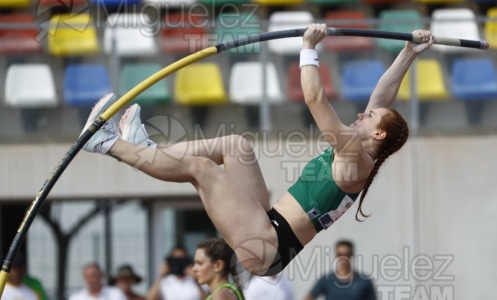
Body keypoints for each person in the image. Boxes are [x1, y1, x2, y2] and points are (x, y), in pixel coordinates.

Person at [80, 24, 434, 276]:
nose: (362, 112)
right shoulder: (363, 148)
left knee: (202, 169)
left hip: (267, 249)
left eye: (369, 116)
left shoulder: (355, 159)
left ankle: (108, 143)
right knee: (237, 146)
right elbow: (382, 98)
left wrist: (309, 48)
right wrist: (408, 53)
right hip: (267, 224)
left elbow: (314, 97)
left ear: (379, 134)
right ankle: (146, 148)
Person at [304, 240, 376, 300]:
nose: (343, 258)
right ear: (336, 255)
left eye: (346, 254)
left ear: (352, 254)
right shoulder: (327, 280)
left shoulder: (364, 281)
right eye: (340, 254)